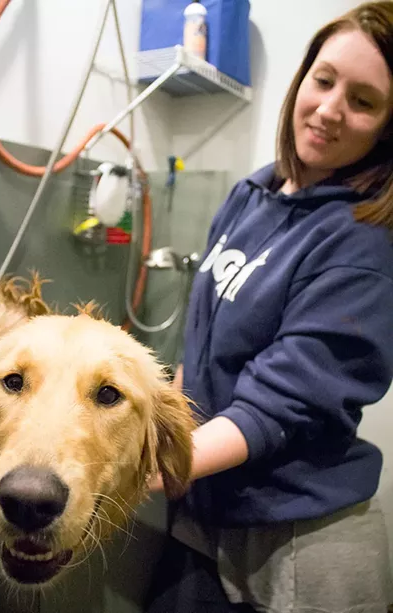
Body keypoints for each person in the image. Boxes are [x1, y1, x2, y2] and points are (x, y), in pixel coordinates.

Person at [144, 2, 393, 612]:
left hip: (299, 538)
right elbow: (200, 350)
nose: (330, 109)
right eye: (324, 79)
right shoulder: (250, 194)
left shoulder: (365, 244)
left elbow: (282, 403)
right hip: (208, 508)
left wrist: (142, 466)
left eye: (363, 101)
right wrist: (160, 427)